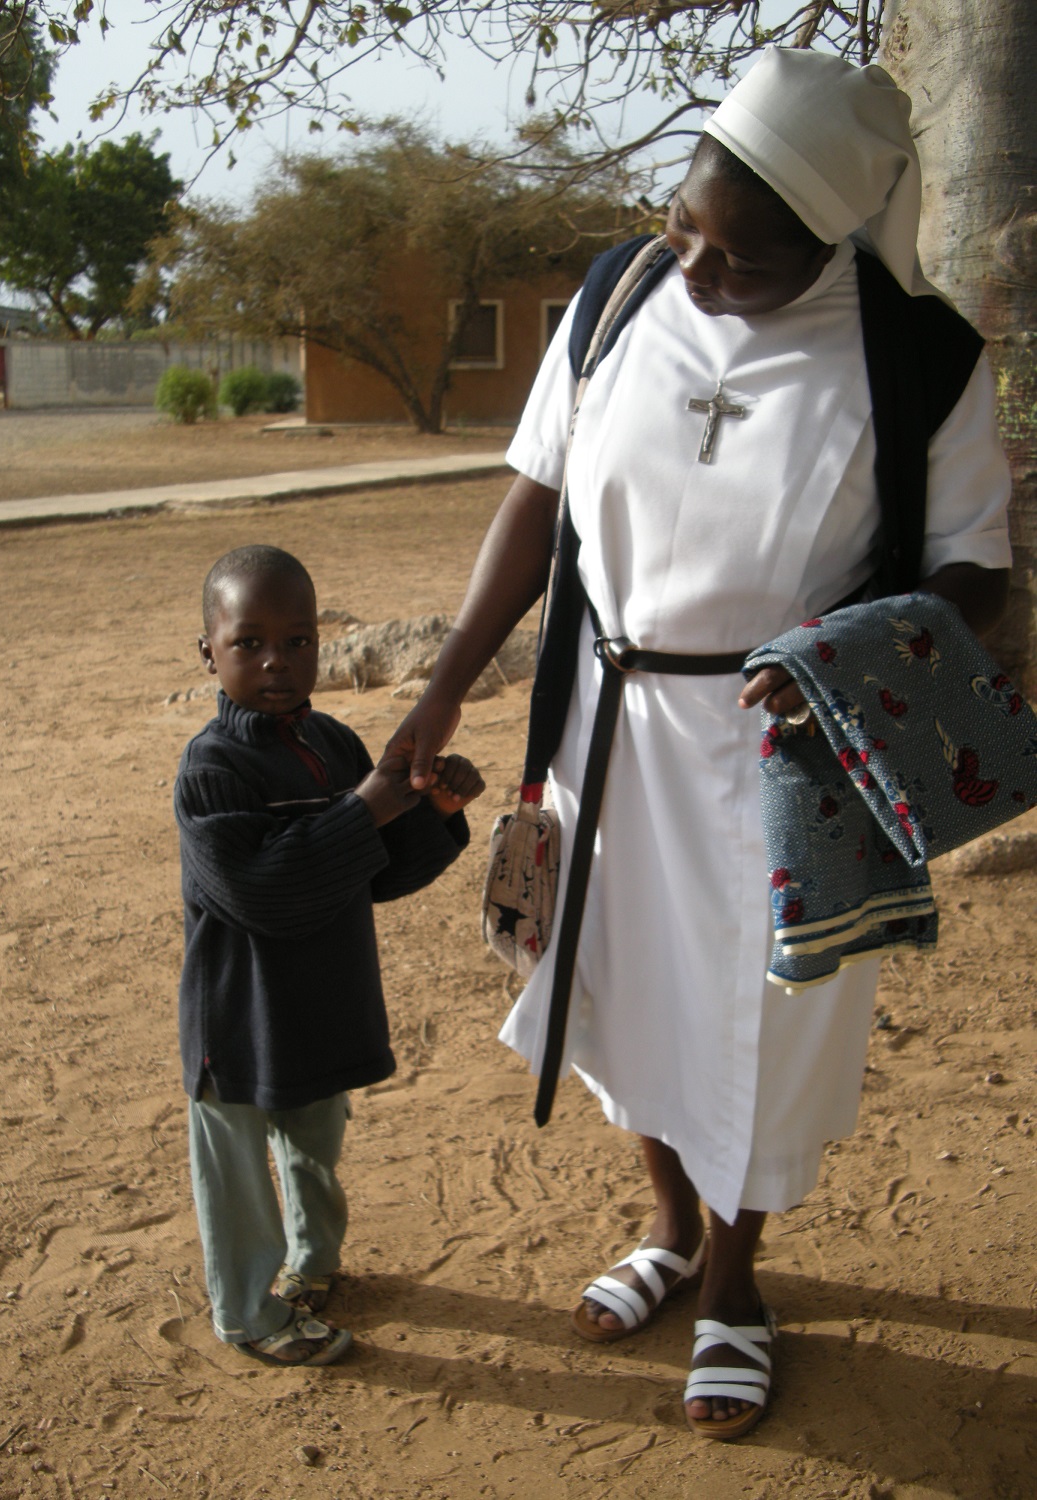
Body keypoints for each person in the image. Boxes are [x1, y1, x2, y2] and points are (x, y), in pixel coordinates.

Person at [386, 48, 1011, 1437]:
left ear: (834, 235)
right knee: (613, 984)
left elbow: (979, 572)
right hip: (605, 733)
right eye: (686, 228)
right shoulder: (618, 298)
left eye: (743, 260)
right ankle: (668, 1226)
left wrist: (849, 656)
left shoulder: (916, 359)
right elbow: (533, 503)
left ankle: (735, 1284)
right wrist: (440, 694)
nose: (701, 275)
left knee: (759, 1025)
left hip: (783, 759)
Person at [174, 544, 484, 1365]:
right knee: (238, 1170)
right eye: (249, 642)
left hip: (318, 997)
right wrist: (368, 806)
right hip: (238, 1014)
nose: (277, 660)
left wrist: (430, 814)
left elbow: (372, 877)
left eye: (299, 639)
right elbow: (264, 890)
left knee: (314, 1143)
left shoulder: (334, 744)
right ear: (208, 651)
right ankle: (246, 1312)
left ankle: (309, 1268)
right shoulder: (212, 769)